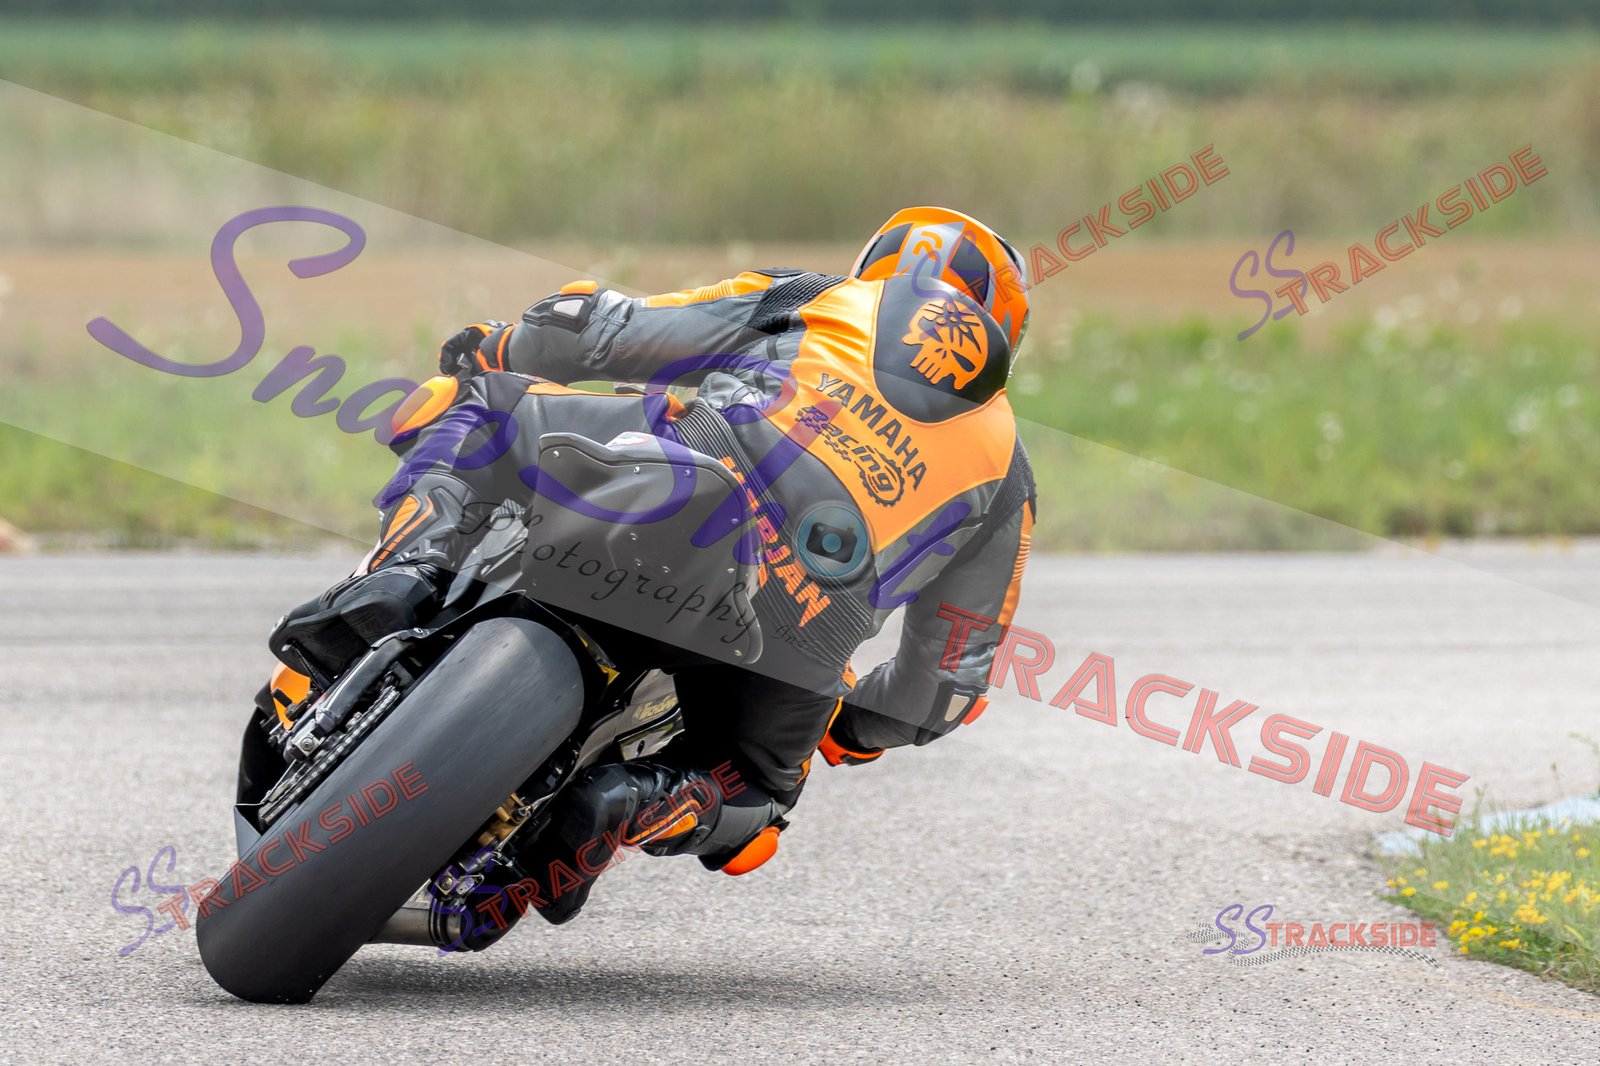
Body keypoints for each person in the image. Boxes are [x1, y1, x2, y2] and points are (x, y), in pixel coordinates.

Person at [270, 206, 1038, 932]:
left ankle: (405, 577)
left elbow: (602, 330)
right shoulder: (1008, 473)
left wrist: (501, 347)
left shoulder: (818, 297)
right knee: (755, 796)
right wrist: (855, 728)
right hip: (804, 630)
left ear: (881, 265)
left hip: (689, 483)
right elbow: (942, 689)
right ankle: (639, 799)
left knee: (473, 405)